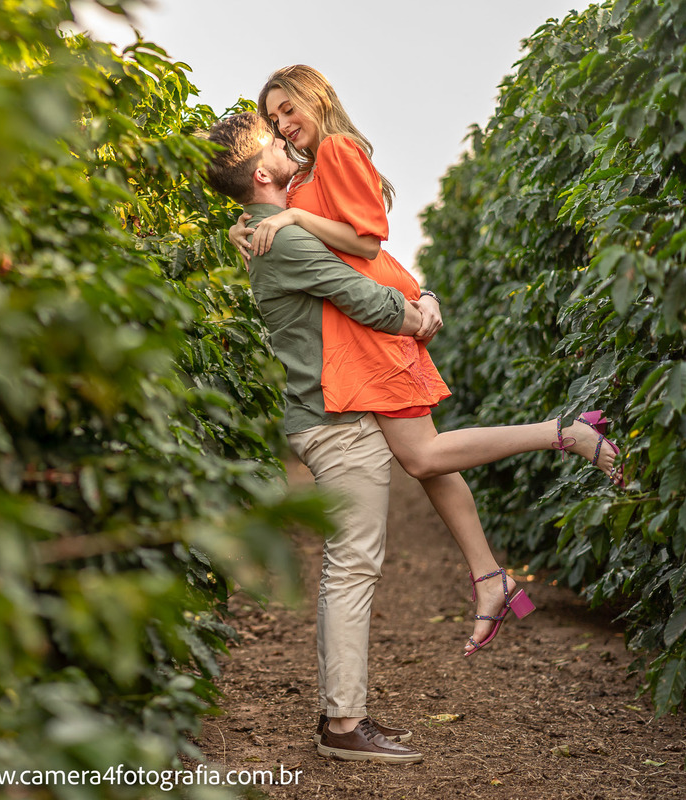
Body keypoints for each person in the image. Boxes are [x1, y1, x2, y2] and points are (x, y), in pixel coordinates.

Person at [228, 65, 622, 659]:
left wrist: (293, 218)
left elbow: (366, 243)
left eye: (289, 108)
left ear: (318, 98)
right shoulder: (303, 172)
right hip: (364, 330)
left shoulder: (335, 149)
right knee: (428, 462)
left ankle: (565, 434)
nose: (282, 124)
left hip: (376, 329)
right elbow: (297, 231)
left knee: (423, 455)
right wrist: (249, 225)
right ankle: (489, 577)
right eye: (274, 116)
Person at [206, 111, 429, 764]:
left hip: (320, 414)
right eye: (274, 141)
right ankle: (343, 724)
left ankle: (343, 710)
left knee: (347, 567)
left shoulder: (264, 229)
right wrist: (422, 314)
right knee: (353, 567)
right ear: (261, 173)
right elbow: (367, 299)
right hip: (335, 420)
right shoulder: (284, 241)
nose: (286, 142)